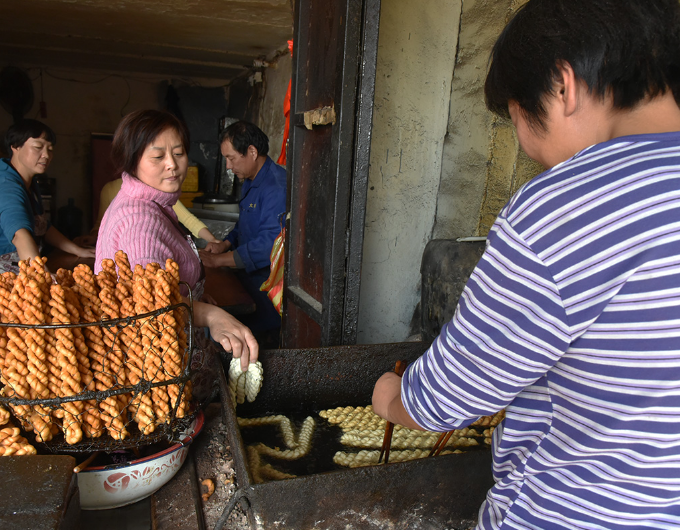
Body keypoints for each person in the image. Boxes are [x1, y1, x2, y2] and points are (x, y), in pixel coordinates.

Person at [372, 1, 680, 528]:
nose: (526, 146)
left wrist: (393, 398)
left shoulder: (567, 205)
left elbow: (450, 394)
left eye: (517, 118)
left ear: (563, 86)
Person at [95, 109, 258, 369]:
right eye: (158, 156)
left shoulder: (154, 202)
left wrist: (192, 298)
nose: (172, 164)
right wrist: (210, 315)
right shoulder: (140, 219)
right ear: (132, 160)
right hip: (150, 368)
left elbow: (163, 282)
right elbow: (147, 304)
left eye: (179, 153)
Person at [199, 121, 286, 335]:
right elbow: (244, 223)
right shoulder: (250, 179)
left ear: (252, 152)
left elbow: (270, 245)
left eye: (231, 158)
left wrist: (220, 261)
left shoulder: (276, 187)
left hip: (266, 285)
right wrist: (225, 244)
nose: (228, 166)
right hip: (247, 276)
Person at [0, 120, 94, 272]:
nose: (46, 155)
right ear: (15, 146)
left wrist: (77, 250)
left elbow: (42, 226)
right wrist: (41, 277)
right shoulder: (6, 184)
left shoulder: (29, 181)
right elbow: (20, 235)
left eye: (50, 149)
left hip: (25, 264)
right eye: (38, 147)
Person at [76, 176, 220, 247]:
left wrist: (212, 240)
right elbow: (101, 225)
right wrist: (93, 238)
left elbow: (188, 219)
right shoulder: (110, 189)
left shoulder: (158, 188)